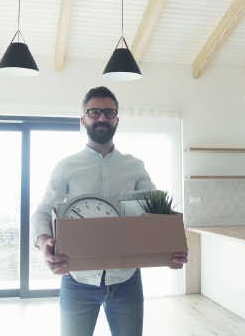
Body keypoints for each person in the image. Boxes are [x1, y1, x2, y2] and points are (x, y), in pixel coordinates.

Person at [31, 86, 188, 336]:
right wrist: (44, 242)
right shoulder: (66, 167)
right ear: (83, 120)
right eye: (94, 112)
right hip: (77, 281)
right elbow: (42, 212)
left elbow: (157, 213)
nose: (102, 117)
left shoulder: (135, 166)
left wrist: (171, 246)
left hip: (126, 281)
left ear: (117, 119)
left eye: (109, 112)